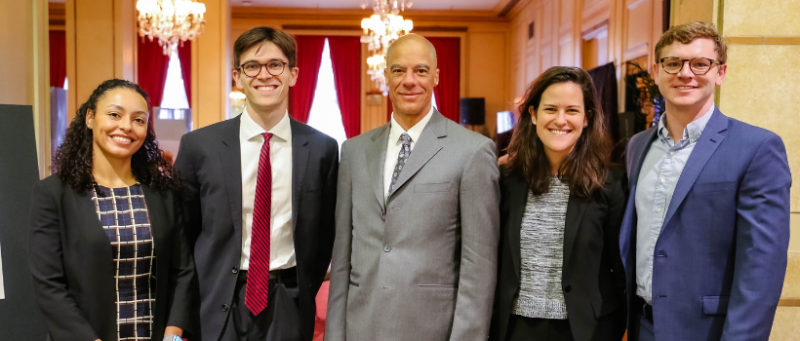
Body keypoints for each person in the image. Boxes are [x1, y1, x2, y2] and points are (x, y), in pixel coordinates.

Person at [620, 22, 791, 341]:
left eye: (700, 63)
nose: (685, 73)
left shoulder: (756, 148)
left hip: (708, 332)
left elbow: (761, 268)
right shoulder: (638, 146)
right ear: (656, 71)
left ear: (720, 72)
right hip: (642, 326)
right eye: (673, 63)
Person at [325, 33, 500, 341]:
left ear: (436, 77)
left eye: (420, 70)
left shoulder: (473, 151)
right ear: (386, 76)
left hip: (433, 329)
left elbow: (479, 266)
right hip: (360, 327)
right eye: (398, 70)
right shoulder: (353, 151)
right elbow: (342, 257)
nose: (409, 80)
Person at [174, 26, 338, 341]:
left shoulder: (322, 149)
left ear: (293, 74)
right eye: (252, 66)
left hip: (288, 299)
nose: (265, 74)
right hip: (216, 299)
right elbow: (184, 230)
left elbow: (324, 234)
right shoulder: (199, 146)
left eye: (276, 64)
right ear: (237, 76)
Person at [28, 79, 194, 341]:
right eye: (115, 114)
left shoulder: (163, 193)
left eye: (139, 120)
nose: (126, 126)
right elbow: (49, 286)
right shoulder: (53, 193)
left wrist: (173, 335)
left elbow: (183, 271)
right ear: (90, 118)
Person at [489, 67, 627, 341]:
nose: (560, 120)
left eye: (572, 111)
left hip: (587, 329)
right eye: (550, 109)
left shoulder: (610, 183)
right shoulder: (505, 179)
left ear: (587, 118)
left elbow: (622, 267)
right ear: (533, 114)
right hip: (514, 328)